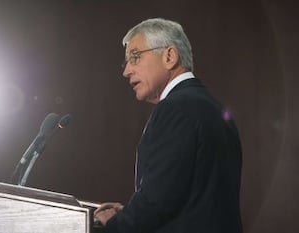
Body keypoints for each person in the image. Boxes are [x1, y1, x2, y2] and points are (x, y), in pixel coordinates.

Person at [93, 18, 243, 233]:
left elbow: (157, 201)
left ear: (169, 56)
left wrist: (116, 224)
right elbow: (191, 198)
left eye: (135, 58)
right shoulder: (211, 107)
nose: (126, 71)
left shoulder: (176, 108)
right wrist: (130, 211)